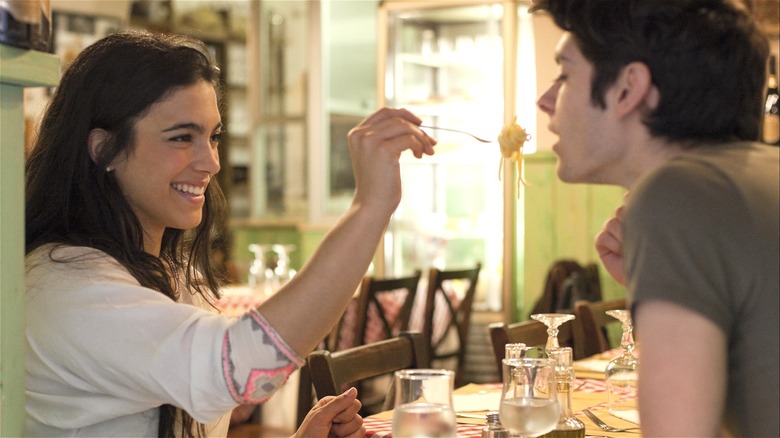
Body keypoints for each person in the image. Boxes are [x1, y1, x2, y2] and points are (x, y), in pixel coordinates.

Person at [24, 30, 436, 437]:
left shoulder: (168, 273)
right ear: (103, 148)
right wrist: (370, 206)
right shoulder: (66, 285)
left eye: (213, 136)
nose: (210, 162)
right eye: (182, 137)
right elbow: (238, 369)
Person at [531, 0, 779, 436]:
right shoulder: (756, 178)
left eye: (565, 74)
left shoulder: (675, 193)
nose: (546, 100)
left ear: (629, 89)